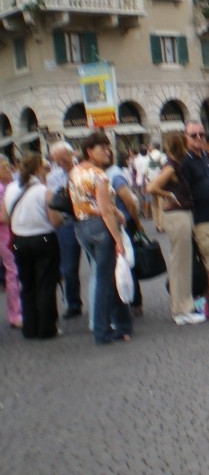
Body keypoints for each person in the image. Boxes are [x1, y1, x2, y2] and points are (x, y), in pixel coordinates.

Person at [69, 132, 133, 344]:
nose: (107, 151)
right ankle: (101, 330)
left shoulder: (76, 171)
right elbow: (104, 210)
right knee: (106, 281)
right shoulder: (99, 175)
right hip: (100, 228)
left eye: (108, 147)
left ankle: (117, 325)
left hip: (82, 227)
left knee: (104, 276)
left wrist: (115, 211)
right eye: (102, 148)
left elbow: (83, 202)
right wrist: (118, 240)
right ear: (90, 151)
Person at [147, 132, 206, 324]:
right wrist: (169, 196)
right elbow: (151, 187)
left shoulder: (173, 165)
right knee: (181, 264)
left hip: (180, 215)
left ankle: (181, 307)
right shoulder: (171, 167)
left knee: (182, 263)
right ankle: (181, 309)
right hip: (177, 215)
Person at [1, 153, 62, 339]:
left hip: (19, 240)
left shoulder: (10, 188)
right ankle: (46, 328)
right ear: (38, 169)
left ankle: (30, 328)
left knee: (27, 285)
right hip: (43, 239)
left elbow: (4, 217)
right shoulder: (44, 191)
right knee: (45, 284)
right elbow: (55, 220)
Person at [181, 121, 209, 316]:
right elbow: (182, 190)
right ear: (185, 137)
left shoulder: (206, 156)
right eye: (194, 135)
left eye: (202, 134)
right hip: (200, 219)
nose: (199, 138)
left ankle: (208, 300)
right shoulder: (185, 161)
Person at [105, 157, 145, 317]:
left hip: (125, 223)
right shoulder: (106, 173)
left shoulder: (115, 175)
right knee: (123, 262)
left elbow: (129, 201)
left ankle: (134, 301)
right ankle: (127, 300)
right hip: (117, 223)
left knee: (128, 262)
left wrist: (136, 221)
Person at [47, 141, 82, 319]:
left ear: (71, 155)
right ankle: (73, 303)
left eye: (62, 158)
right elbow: (52, 202)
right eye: (56, 159)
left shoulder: (83, 171)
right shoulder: (53, 177)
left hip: (87, 220)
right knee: (68, 267)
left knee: (97, 264)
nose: (60, 162)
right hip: (67, 223)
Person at [0, 156, 22, 328]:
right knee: (13, 271)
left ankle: (17, 311)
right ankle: (15, 314)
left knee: (15, 271)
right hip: (5, 235)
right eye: (5, 167)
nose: (9, 170)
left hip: (12, 234)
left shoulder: (9, 185)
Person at [143, 142, 166, 231]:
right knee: (161, 204)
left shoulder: (147, 157)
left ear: (152, 147)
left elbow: (145, 172)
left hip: (150, 182)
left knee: (154, 204)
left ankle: (156, 223)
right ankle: (161, 225)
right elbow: (165, 168)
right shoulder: (162, 156)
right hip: (160, 182)